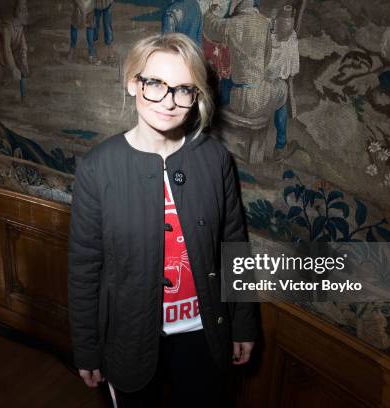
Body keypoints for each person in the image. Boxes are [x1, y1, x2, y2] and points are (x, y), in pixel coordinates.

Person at [67, 33, 257, 407]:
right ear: (132, 83)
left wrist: (244, 323)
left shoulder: (215, 159)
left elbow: (235, 247)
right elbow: (85, 269)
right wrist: (86, 349)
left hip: (204, 333)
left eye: (184, 89)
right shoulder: (97, 169)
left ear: (197, 96)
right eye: (155, 84)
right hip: (129, 339)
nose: (169, 102)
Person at [204, 0, 298, 160]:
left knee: (224, 81)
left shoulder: (231, 24)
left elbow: (210, 27)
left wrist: (209, 11)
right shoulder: (264, 24)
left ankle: (209, 134)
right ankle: (280, 147)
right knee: (282, 88)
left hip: (236, 97)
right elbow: (266, 60)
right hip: (256, 100)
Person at [0, 0, 30, 105]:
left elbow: (23, 46)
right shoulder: (7, 28)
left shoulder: (20, 28)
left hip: (11, 52)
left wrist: (24, 61)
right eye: (25, 11)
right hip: (0, 53)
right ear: (18, 12)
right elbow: (6, 49)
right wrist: (13, 68)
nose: (27, 14)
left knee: (22, 70)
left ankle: (24, 97)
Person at [69, 0, 99, 64]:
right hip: (78, 5)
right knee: (74, 25)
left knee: (90, 27)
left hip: (90, 5)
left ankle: (91, 55)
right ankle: (72, 50)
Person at [93, 0, 116, 65]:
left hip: (107, 2)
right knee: (95, 26)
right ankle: (95, 54)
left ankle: (110, 54)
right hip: (95, 4)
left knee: (107, 26)